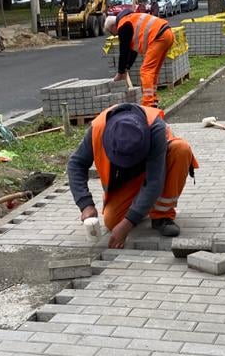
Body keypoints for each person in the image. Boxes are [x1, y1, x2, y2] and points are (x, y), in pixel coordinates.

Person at [67, 102, 197, 247]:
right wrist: (85, 204)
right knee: (112, 222)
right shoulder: (97, 129)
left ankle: (162, 216)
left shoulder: (155, 128)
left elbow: (155, 180)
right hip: (130, 179)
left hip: (156, 169)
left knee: (181, 149)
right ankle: (143, 205)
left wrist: (128, 223)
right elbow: (76, 164)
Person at [105, 10, 174, 108]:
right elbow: (132, 51)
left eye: (113, 33)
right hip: (167, 33)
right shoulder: (130, 19)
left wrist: (120, 73)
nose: (116, 35)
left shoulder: (123, 25)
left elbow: (123, 51)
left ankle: (148, 104)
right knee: (153, 71)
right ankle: (153, 100)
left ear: (113, 27)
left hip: (158, 36)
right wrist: (126, 68)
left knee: (146, 71)